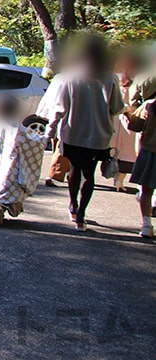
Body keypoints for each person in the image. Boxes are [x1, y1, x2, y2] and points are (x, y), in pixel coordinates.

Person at [44, 36, 125, 231]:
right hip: (99, 135)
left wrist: (49, 130)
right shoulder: (110, 77)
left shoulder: (71, 76)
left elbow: (59, 107)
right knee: (89, 174)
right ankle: (81, 215)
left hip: (73, 133)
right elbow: (117, 107)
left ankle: (73, 205)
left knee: (74, 170)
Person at [0, 96, 49, 226]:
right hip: (12, 168)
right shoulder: (19, 130)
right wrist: (46, 137)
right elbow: (34, 143)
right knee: (9, 192)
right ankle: (2, 209)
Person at [125, 98, 156, 237]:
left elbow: (134, 125)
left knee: (146, 191)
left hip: (150, 151)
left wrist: (127, 113)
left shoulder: (150, 105)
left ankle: (146, 224)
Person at [111, 52, 141, 192]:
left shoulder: (115, 78)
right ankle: (119, 180)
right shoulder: (137, 79)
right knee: (128, 153)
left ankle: (116, 178)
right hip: (131, 119)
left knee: (116, 150)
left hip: (117, 119)